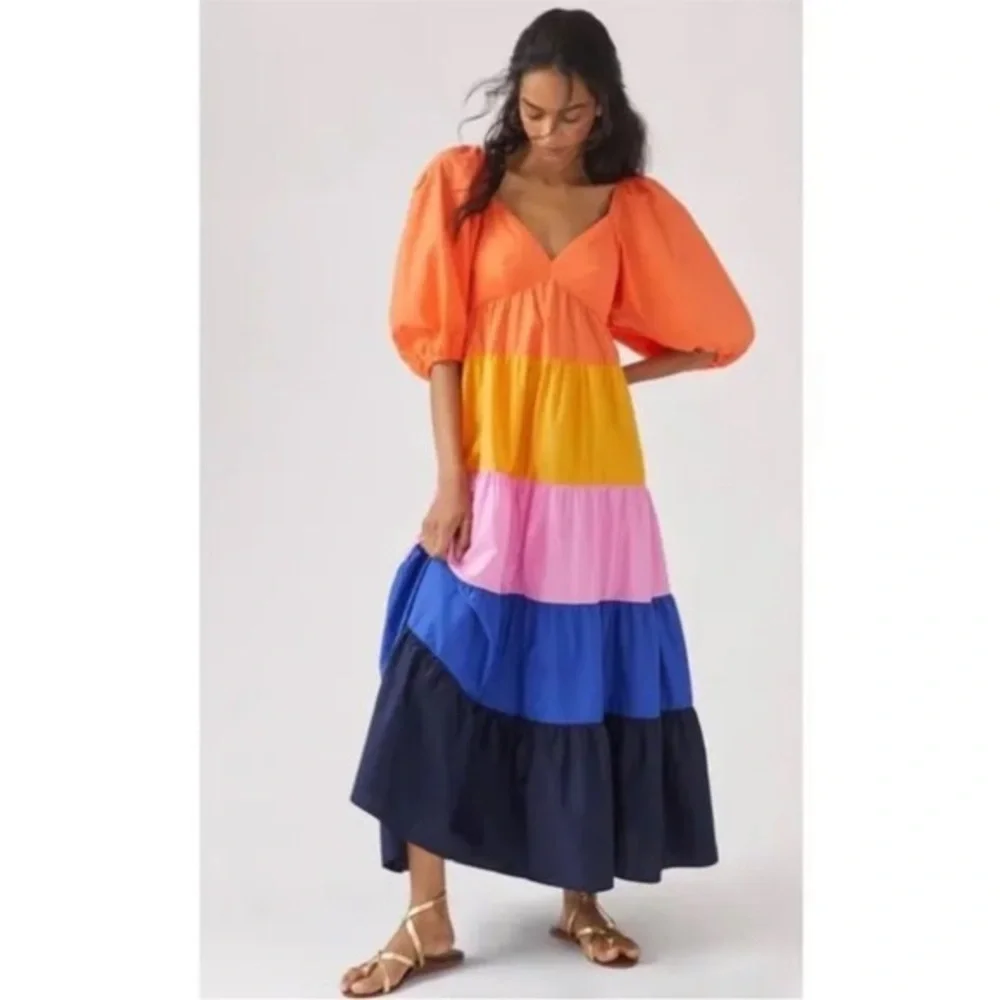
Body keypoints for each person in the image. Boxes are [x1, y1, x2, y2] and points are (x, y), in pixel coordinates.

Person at [341, 7, 754, 996]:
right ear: (512, 100)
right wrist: (452, 481)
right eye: (532, 112)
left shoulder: (631, 206)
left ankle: (581, 899)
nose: (550, 131)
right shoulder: (462, 187)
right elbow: (440, 348)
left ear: (601, 108)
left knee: (583, 674)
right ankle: (427, 918)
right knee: (433, 668)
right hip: (494, 468)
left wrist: (612, 379)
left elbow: (719, 333)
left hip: (595, 479)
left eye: (570, 115)